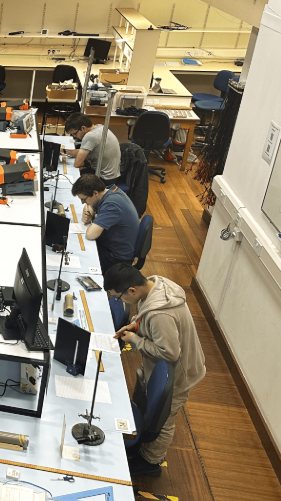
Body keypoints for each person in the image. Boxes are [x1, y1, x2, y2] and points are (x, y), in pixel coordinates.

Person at [104, 264, 206, 476]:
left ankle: (150, 462)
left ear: (132, 290)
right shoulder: (154, 284)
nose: (120, 301)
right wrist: (135, 324)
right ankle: (138, 442)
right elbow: (146, 316)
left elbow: (169, 353)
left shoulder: (161, 315)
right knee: (144, 405)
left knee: (162, 419)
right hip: (156, 364)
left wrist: (135, 340)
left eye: (119, 297)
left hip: (178, 373)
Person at [72, 174, 140, 273]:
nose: (82, 202)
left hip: (116, 258)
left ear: (95, 193)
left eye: (84, 199)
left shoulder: (112, 205)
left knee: (78, 255)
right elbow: (92, 206)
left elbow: (91, 234)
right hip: (111, 246)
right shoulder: (110, 191)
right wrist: (90, 210)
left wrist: (92, 219)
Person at [63, 112, 122, 188]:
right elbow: (82, 151)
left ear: (83, 128)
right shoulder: (100, 127)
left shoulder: (90, 136)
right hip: (112, 175)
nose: (75, 137)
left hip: (103, 179)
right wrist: (64, 151)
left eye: (75, 134)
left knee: (69, 178)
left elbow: (77, 164)